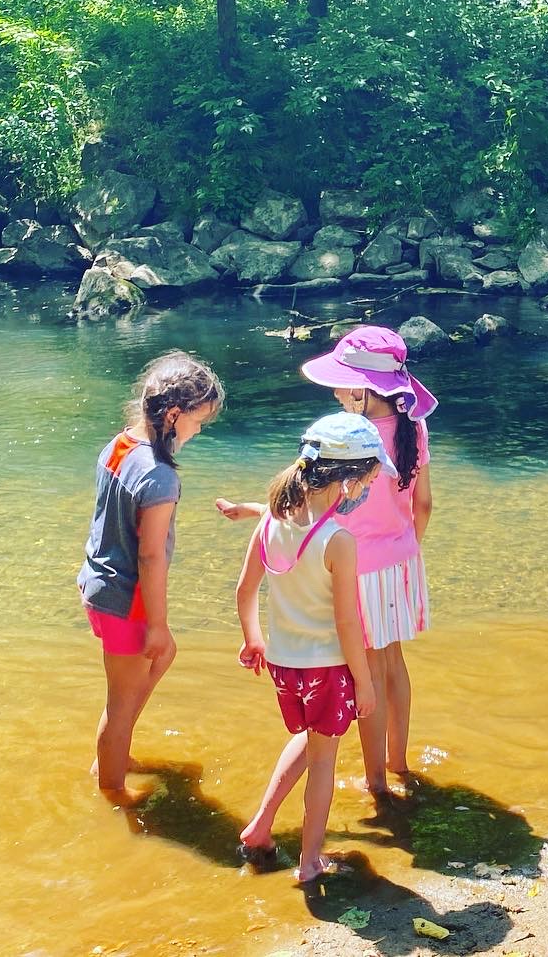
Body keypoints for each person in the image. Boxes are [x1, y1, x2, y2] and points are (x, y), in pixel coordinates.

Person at [217, 325, 435, 800]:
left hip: (359, 571)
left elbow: (315, 517)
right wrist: (404, 549)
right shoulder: (413, 426)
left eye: (341, 384)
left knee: (370, 676)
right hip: (402, 563)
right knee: (393, 664)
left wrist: (260, 512)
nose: (335, 392)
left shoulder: (349, 444)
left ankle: (377, 783)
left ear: (363, 389)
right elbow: (424, 505)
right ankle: (399, 763)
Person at [233, 412, 385, 882]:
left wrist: (253, 639)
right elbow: (347, 623)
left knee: (309, 738)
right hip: (328, 668)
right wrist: (364, 683)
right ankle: (310, 862)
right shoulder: (339, 541)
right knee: (324, 761)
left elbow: (244, 591)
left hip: (283, 664)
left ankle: (260, 827)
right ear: (348, 479)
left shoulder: (272, 524)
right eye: (367, 480)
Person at [78, 351, 225, 807]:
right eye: (198, 422)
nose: (198, 432)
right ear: (174, 415)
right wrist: (157, 623)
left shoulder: (120, 445)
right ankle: (112, 788)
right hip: (127, 600)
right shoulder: (160, 477)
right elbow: (150, 555)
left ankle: (114, 753)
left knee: (158, 661)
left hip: (98, 584)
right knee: (120, 702)